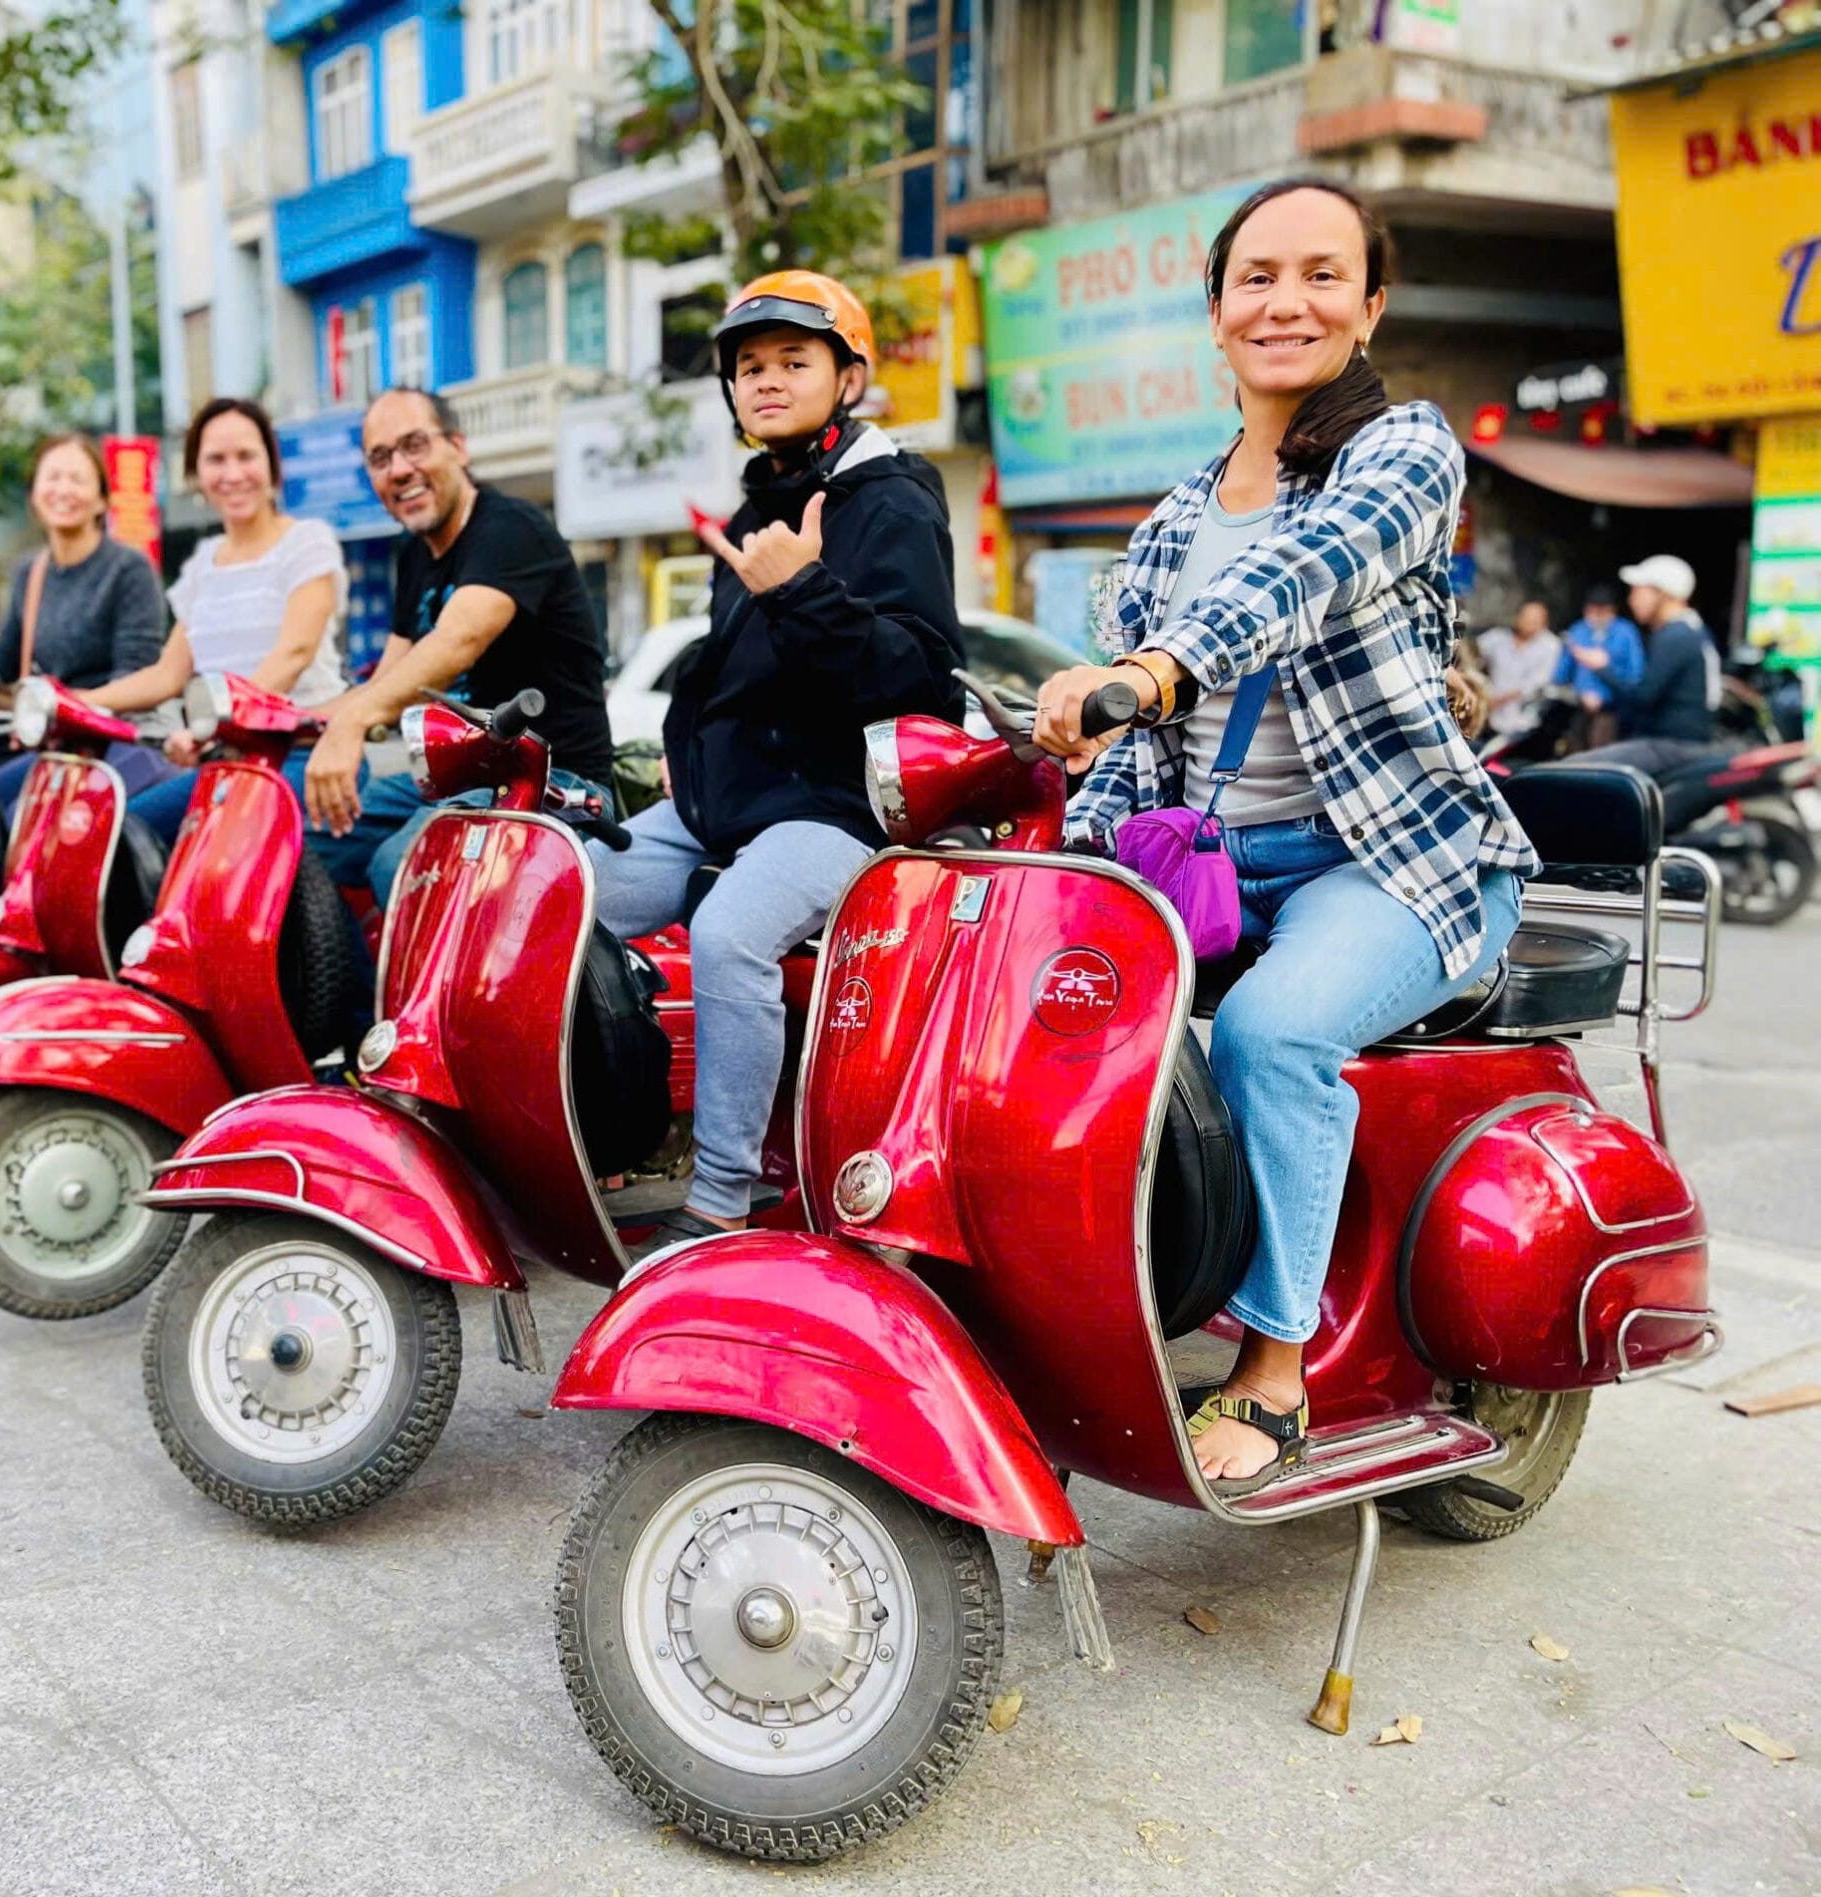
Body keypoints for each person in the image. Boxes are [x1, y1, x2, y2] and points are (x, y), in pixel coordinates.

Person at [1032, 178, 1535, 1496]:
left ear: (1370, 307)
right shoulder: (1174, 515)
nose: (1285, 303)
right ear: (1215, 312)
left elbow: (1299, 578)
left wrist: (1151, 670)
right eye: (1256, 277)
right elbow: (1137, 754)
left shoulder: (1403, 453)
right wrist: (1049, 841)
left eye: (1322, 275)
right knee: (1033, 1000)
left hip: (1393, 860)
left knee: (1268, 1032)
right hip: (1216, 869)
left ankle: (1273, 1369)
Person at [588, 271, 965, 1251]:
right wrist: (684, 753)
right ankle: (597, 1128)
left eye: (794, 361)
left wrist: (804, 591)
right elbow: (723, 672)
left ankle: (722, 1195)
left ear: (849, 379)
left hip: (834, 804)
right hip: (721, 801)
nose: (766, 380)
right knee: (557, 898)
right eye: (749, 366)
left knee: (728, 936)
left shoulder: (891, 500)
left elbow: (923, 678)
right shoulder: (756, 505)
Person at [300, 387, 617, 902]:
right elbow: (386, 684)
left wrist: (352, 722)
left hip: (555, 782)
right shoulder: (414, 556)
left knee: (402, 864)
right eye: (380, 458)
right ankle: (344, 958)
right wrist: (275, 723)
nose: (399, 469)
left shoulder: (511, 529)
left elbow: (457, 641)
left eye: (414, 445)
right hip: (457, 782)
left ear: (458, 447)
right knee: (306, 840)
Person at [90, 398, 347, 843]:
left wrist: (217, 724)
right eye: (216, 460)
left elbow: (295, 652)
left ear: (271, 463)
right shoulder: (202, 565)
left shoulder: (307, 543)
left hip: (305, 756)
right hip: (228, 760)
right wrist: (79, 702)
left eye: (246, 456)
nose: (233, 474)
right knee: (121, 834)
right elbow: (167, 674)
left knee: (225, 855)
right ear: (196, 474)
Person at [0, 434, 174, 808]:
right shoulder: (31, 572)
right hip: (60, 736)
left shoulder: (129, 570)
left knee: (27, 822)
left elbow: (135, 673)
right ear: (35, 494)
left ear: (101, 500)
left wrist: (70, 706)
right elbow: (1, 659)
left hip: (118, 739)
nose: (63, 489)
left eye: (77, 479)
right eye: (52, 477)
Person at [1570, 556, 1716, 775]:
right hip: (1674, 743)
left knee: (1572, 770)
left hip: (1671, 746)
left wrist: (1602, 668)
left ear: (1663, 594)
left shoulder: (1676, 636)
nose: (1631, 600)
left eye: (1638, 592)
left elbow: (1641, 698)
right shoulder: (1689, 630)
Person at [1563, 582, 1644, 739]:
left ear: (1612, 611)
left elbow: (1635, 676)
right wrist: (1580, 693)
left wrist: (1603, 693)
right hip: (1579, 704)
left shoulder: (1626, 633)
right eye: (1592, 611)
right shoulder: (1578, 630)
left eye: (1602, 611)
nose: (1597, 616)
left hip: (1612, 707)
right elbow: (1562, 672)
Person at [1476, 597, 1562, 741]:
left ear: (1544, 623)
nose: (1529, 623)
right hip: (1488, 715)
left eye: (1535, 620)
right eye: (1526, 617)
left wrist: (1498, 700)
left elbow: (1537, 682)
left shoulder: (1551, 645)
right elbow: (1471, 652)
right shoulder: (1497, 637)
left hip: (1524, 720)